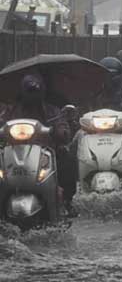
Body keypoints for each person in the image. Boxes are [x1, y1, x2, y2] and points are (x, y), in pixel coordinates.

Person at [0, 75, 76, 211]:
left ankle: (66, 202)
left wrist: (59, 131)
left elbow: (63, 128)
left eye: (36, 91)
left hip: (45, 154)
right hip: (13, 154)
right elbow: (2, 123)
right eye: (30, 91)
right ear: (23, 91)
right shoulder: (10, 111)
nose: (33, 95)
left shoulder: (52, 111)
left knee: (67, 157)